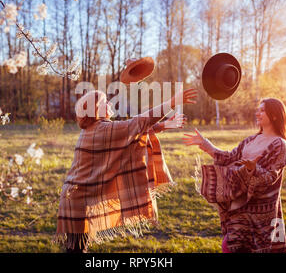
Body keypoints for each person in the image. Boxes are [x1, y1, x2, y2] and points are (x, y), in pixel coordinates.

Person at [56, 87, 197, 253]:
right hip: (78, 200)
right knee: (77, 250)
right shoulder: (103, 129)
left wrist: (163, 126)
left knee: (78, 248)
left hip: (75, 198)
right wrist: (172, 102)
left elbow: (131, 129)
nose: (109, 103)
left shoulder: (94, 128)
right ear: (95, 110)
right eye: (103, 101)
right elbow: (137, 124)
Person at [183, 98, 286, 253]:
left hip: (260, 210)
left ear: (274, 115)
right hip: (239, 205)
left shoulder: (279, 145)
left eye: (262, 110)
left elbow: (270, 176)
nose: (257, 113)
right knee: (231, 245)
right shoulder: (251, 140)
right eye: (258, 109)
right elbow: (230, 157)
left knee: (251, 248)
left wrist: (253, 169)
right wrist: (207, 145)